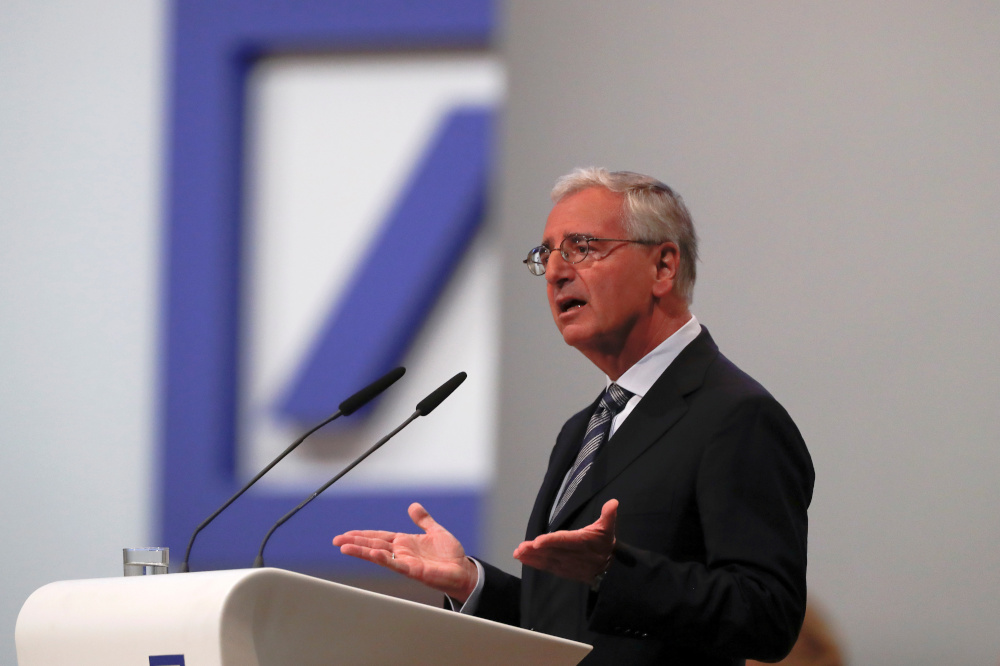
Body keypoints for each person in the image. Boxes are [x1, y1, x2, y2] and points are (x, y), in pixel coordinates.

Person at [333, 168, 815, 665]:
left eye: (582, 247)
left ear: (663, 267)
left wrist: (613, 570)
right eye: (547, 254)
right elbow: (567, 627)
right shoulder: (581, 430)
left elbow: (768, 615)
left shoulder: (737, 415)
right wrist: (475, 583)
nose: (558, 271)